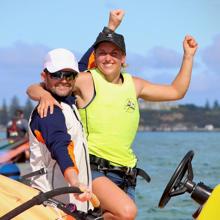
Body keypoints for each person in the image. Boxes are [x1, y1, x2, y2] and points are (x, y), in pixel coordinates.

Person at [27, 9, 198, 220]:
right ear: (95, 56)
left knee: (123, 215)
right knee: (127, 212)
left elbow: (176, 91)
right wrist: (43, 95)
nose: (108, 58)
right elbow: (43, 84)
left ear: (123, 58)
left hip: (127, 175)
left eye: (114, 53)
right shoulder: (85, 80)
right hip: (94, 171)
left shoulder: (135, 85)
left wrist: (188, 57)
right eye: (102, 53)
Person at [28, 48, 93, 212]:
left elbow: (84, 63)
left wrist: (110, 28)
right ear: (45, 76)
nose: (63, 80)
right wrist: (75, 182)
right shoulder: (49, 111)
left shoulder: (68, 100)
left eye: (69, 75)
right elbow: (60, 148)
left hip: (74, 201)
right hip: (54, 205)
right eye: (56, 74)